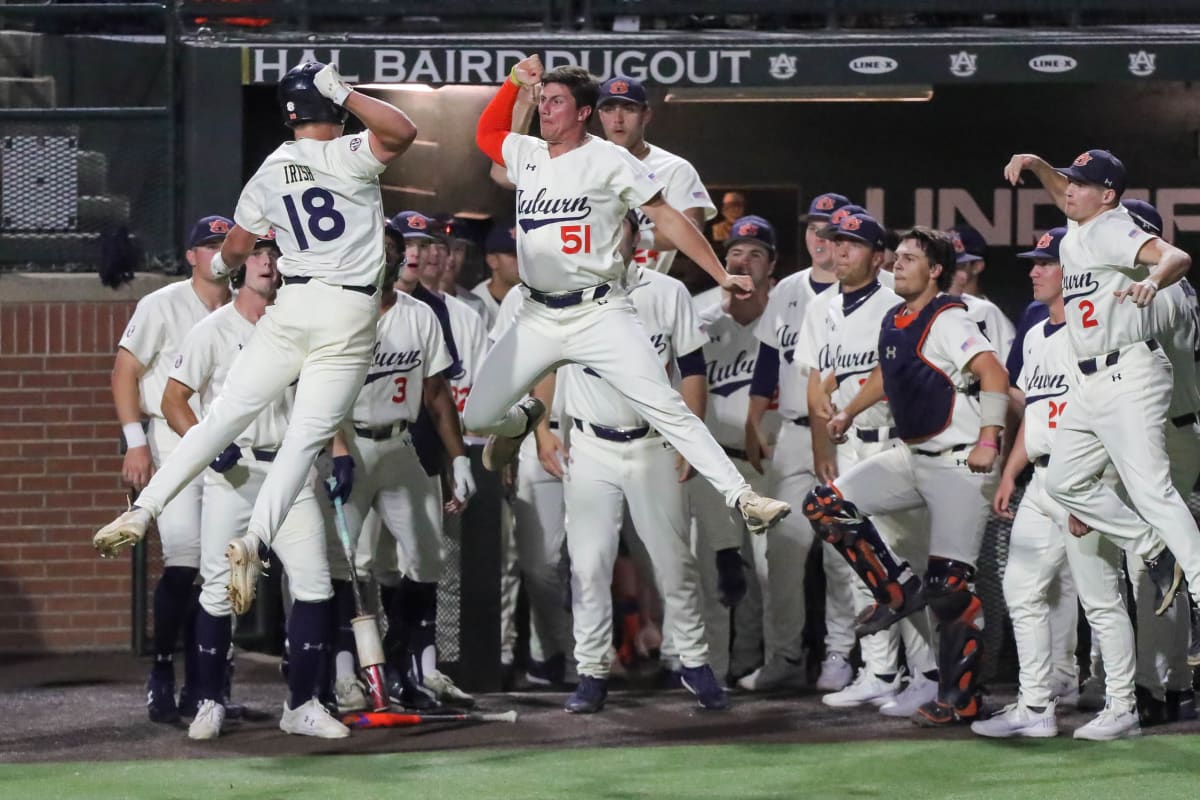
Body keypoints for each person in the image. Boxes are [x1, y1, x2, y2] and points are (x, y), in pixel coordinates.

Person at [93, 61, 418, 605]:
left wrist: (220, 268)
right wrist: (344, 89)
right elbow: (403, 130)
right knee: (306, 435)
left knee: (221, 417)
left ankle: (144, 507)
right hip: (347, 313)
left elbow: (237, 248)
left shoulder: (271, 167)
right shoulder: (347, 152)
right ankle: (255, 539)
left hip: (291, 307)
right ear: (330, 107)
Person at [467, 56, 788, 535]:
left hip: (598, 311)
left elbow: (668, 216)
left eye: (557, 102)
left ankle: (743, 497)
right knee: (478, 415)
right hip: (537, 314)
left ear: (582, 112)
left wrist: (720, 273)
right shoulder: (527, 152)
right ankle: (522, 420)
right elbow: (486, 133)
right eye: (544, 101)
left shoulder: (610, 159)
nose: (546, 109)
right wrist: (514, 83)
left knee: (664, 404)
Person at [804, 226, 1010, 726]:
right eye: (896, 257)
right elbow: (886, 373)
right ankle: (894, 589)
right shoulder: (897, 316)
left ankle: (963, 699)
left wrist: (989, 439)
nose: (897, 264)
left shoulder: (948, 316)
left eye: (910, 258)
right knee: (826, 505)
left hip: (961, 463)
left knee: (950, 587)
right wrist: (849, 412)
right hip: (913, 457)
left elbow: (994, 374)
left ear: (936, 270)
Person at [1004, 149, 1200, 630]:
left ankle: (1199, 586)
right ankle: (1155, 551)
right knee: (1063, 481)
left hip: (1130, 371)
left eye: (1081, 184)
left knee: (1153, 493)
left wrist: (1153, 280)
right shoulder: (1082, 225)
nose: (1069, 190)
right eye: (1069, 181)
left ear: (1108, 195)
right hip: (1092, 382)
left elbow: (1177, 256)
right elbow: (1061, 192)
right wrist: (1035, 165)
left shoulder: (1112, 227)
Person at [161, 235, 347, 739]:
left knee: (314, 585)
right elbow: (173, 399)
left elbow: (324, 396)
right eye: (259, 253)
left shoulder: (301, 326)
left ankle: (302, 704)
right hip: (234, 473)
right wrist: (204, 440)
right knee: (219, 592)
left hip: (290, 471)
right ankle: (209, 701)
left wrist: (341, 450)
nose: (267, 261)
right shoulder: (213, 329)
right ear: (240, 265)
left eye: (275, 253)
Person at [556, 213, 726, 713]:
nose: (610, 238)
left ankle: (693, 661)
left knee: (675, 562)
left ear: (635, 237)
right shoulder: (565, 291)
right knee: (589, 565)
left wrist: (691, 440)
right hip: (590, 445)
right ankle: (591, 670)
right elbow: (548, 363)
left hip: (655, 443)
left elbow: (692, 369)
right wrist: (545, 427)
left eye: (619, 229)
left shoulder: (667, 292)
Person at [976, 226, 1140, 740]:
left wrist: (1090, 485)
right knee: (1020, 590)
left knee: (1100, 598)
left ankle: (1123, 706)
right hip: (1043, 481)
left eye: (1046, 262)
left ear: (1072, 272)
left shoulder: (1096, 333)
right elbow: (1039, 414)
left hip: (1086, 480)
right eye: (1034, 262)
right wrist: (1010, 471)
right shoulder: (1033, 333)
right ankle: (1035, 705)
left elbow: (1116, 419)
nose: (1034, 270)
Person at [794, 212, 939, 717]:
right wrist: (822, 442)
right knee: (863, 566)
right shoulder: (821, 306)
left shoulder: (894, 299)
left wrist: (846, 408)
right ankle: (879, 672)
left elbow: (889, 370)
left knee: (905, 565)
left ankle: (927, 676)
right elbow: (818, 375)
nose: (838, 252)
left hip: (895, 442)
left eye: (852, 245)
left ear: (878, 255)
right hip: (850, 444)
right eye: (835, 243)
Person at [326, 232, 476, 712]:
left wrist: (458, 457)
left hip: (400, 443)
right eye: (380, 253)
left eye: (392, 255)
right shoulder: (342, 313)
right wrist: (337, 450)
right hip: (349, 444)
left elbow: (435, 394)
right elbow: (320, 394)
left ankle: (396, 660)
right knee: (347, 566)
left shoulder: (420, 315)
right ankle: (346, 674)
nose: (388, 261)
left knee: (428, 557)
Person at [110, 214, 232, 722]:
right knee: (183, 561)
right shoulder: (162, 303)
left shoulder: (248, 307)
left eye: (226, 245)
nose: (219, 253)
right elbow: (125, 371)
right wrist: (134, 441)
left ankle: (208, 686)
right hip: (172, 435)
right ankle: (163, 667)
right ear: (190, 256)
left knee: (223, 569)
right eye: (208, 245)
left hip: (228, 443)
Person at [739, 192, 850, 694]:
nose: (820, 237)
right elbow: (769, 362)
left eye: (831, 229)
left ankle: (841, 655)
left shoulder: (878, 290)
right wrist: (752, 420)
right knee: (779, 553)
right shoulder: (787, 289)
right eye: (814, 228)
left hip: (845, 436)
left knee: (843, 554)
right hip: (791, 435)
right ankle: (783, 657)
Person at [687, 214, 780, 683]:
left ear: (772, 265)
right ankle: (715, 671)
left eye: (755, 254)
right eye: (735, 255)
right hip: (713, 463)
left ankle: (761, 666)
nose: (743, 262)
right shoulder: (698, 317)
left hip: (769, 465)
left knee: (769, 576)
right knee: (714, 575)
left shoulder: (786, 317)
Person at [594, 75, 717, 275]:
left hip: (649, 287)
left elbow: (692, 228)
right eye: (609, 109)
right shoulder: (583, 165)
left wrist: (634, 237)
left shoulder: (674, 168)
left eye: (629, 109)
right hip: (590, 289)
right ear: (600, 115)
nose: (618, 119)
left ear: (646, 115)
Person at [948, 225, 1017, 364]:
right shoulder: (927, 308)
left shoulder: (989, 314)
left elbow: (1008, 373)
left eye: (957, 266)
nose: (949, 272)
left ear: (977, 266)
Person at [471, 221, 521, 332]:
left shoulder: (531, 298)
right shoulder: (475, 303)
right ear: (492, 260)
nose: (521, 261)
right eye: (514, 255)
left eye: (524, 253)